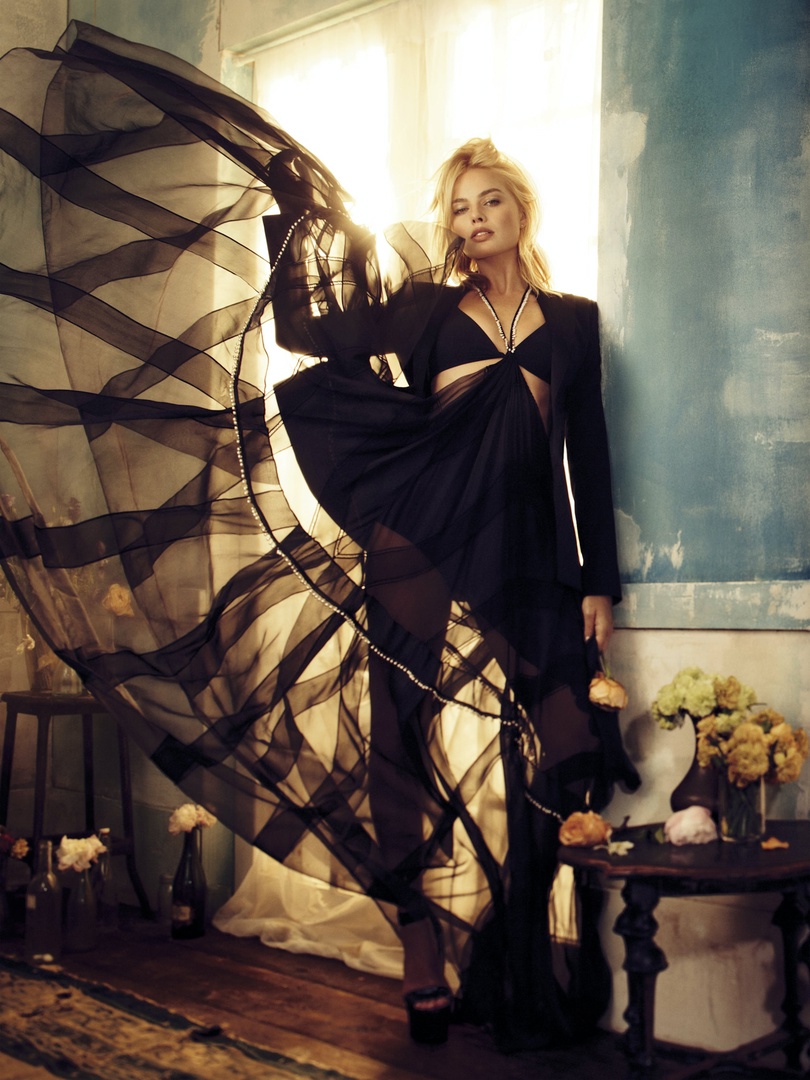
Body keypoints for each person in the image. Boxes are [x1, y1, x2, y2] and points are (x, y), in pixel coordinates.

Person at [0, 23, 638, 1054]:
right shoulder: (424, 310)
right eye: (459, 206)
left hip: (526, 550)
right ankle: (421, 954)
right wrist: (298, 213)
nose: (475, 218)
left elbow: (588, 455)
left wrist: (598, 581)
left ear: (522, 208)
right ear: (448, 225)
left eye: (491, 200)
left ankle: (517, 947)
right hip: (420, 532)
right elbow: (306, 331)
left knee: (567, 743)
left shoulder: (574, 322)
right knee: (398, 741)